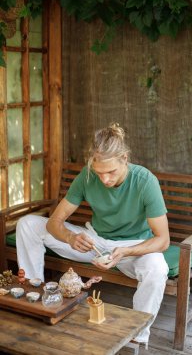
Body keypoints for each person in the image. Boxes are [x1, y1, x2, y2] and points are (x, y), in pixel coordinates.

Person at [16, 123, 170, 344]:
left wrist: (126, 251)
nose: (105, 179)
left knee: (157, 268)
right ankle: (35, 297)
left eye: (111, 172)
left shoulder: (145, 181)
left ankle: (137, 337)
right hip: (94, 243)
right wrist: (70, 237)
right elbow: (54, 223)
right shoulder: (87, 176)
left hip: (133, 248)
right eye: (100, 173)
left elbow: (163, 240)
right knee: (27, 224)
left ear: (124, 159)